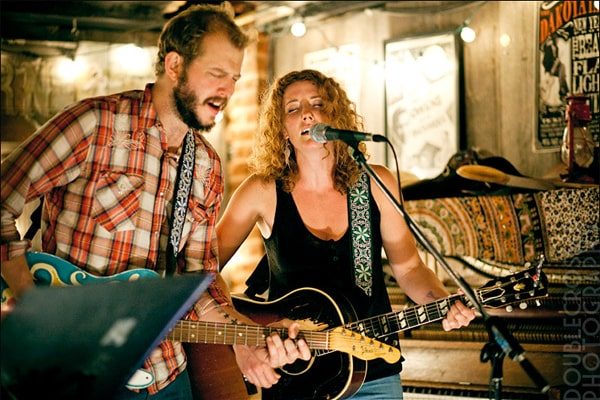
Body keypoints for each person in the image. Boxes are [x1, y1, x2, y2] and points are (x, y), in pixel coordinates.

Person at [0, 4, 309, 399]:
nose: (228, 90)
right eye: (217, 74)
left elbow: (199, 278)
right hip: (78, 366)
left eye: (234, 78)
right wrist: (31, 299)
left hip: (164, 374)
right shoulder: (96, 125)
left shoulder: (206, 166)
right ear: (175, 65)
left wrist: (244, 338)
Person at [216, 69, 476, 399]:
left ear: (335, 115)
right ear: (282, 129)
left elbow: (410, 268)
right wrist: (240, 335)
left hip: (373, 374)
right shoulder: (262, 190)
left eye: (316, 103)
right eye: (293, 108)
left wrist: (441, 300)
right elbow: (201, 270)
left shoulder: (376, 184)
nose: (306, 112)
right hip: (295, 376)